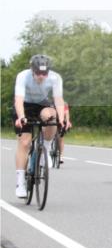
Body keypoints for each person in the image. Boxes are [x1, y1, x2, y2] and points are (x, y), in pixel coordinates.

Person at [11, 54, 65, 198]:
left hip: (41, 104)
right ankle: (20, 182)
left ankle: (45, 148)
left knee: (53, 116)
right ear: (32, 70)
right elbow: (18, 100)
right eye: (38, 73)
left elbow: (58, 100)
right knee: (25, 142)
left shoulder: (55, 78)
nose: (41, 76)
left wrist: (62, 119)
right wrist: (21, 117)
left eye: (44, 73)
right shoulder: (23, 76)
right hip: (24, 106)